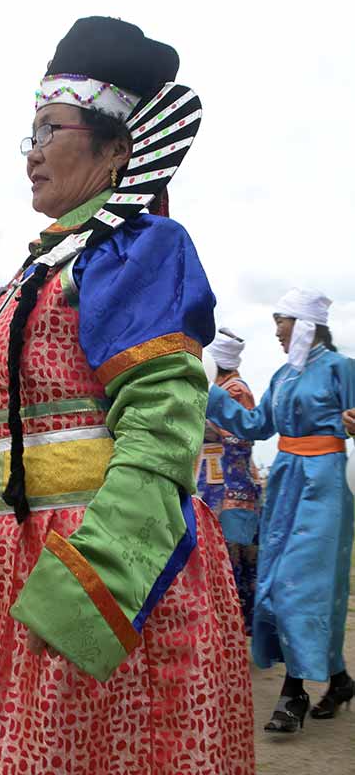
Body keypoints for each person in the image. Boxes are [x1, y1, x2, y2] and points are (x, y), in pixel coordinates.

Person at [0, 17, 254, 774]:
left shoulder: (137, 248)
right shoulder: (42, 269)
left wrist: (97, 579)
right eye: (27, 133)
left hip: (82, 563)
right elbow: (2, 428)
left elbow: (164, 421)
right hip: (6, 563)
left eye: (50, 127)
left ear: (118, 147)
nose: (32, 151)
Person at [207, 287, 355, 733]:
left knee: (301, 585)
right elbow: (256, 426)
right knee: (274, 580)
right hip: (286, 479)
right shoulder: (283, 376)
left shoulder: (341, 368)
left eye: (281, 322)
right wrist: (209, 394)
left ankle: (293, 693)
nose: (275, 331)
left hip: (325, 480)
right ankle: (340, 680)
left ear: (305, 325)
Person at [196, 328, 261, 633]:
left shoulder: (233, 391)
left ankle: (230, 636)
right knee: (218, 565)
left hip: (230, 493)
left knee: (229, 566)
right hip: (214, 488)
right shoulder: (221, 387)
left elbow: (240, 436)